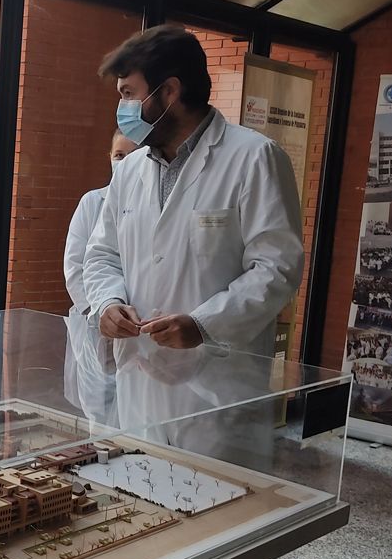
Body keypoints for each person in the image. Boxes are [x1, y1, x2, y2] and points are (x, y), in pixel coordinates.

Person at [83, 25, 303, 358]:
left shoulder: (255, 158)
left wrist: (205, 325)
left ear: (170, 91)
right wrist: (108, 302)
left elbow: (277, 268)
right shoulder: (130, 169)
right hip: (139, 371)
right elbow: (102, 253)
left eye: (129, 94)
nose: (122, 106)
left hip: (220, 381)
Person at [62, 129, 137, 424]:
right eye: (119, 155)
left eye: (132, 155)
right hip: (95, 326)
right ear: (109, 158)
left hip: (139, 326)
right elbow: (76, 266)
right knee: (99, 412)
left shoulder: (155, 206)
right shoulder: (93, 203)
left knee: (133, 413)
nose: (124, 162)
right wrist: (100, 314)